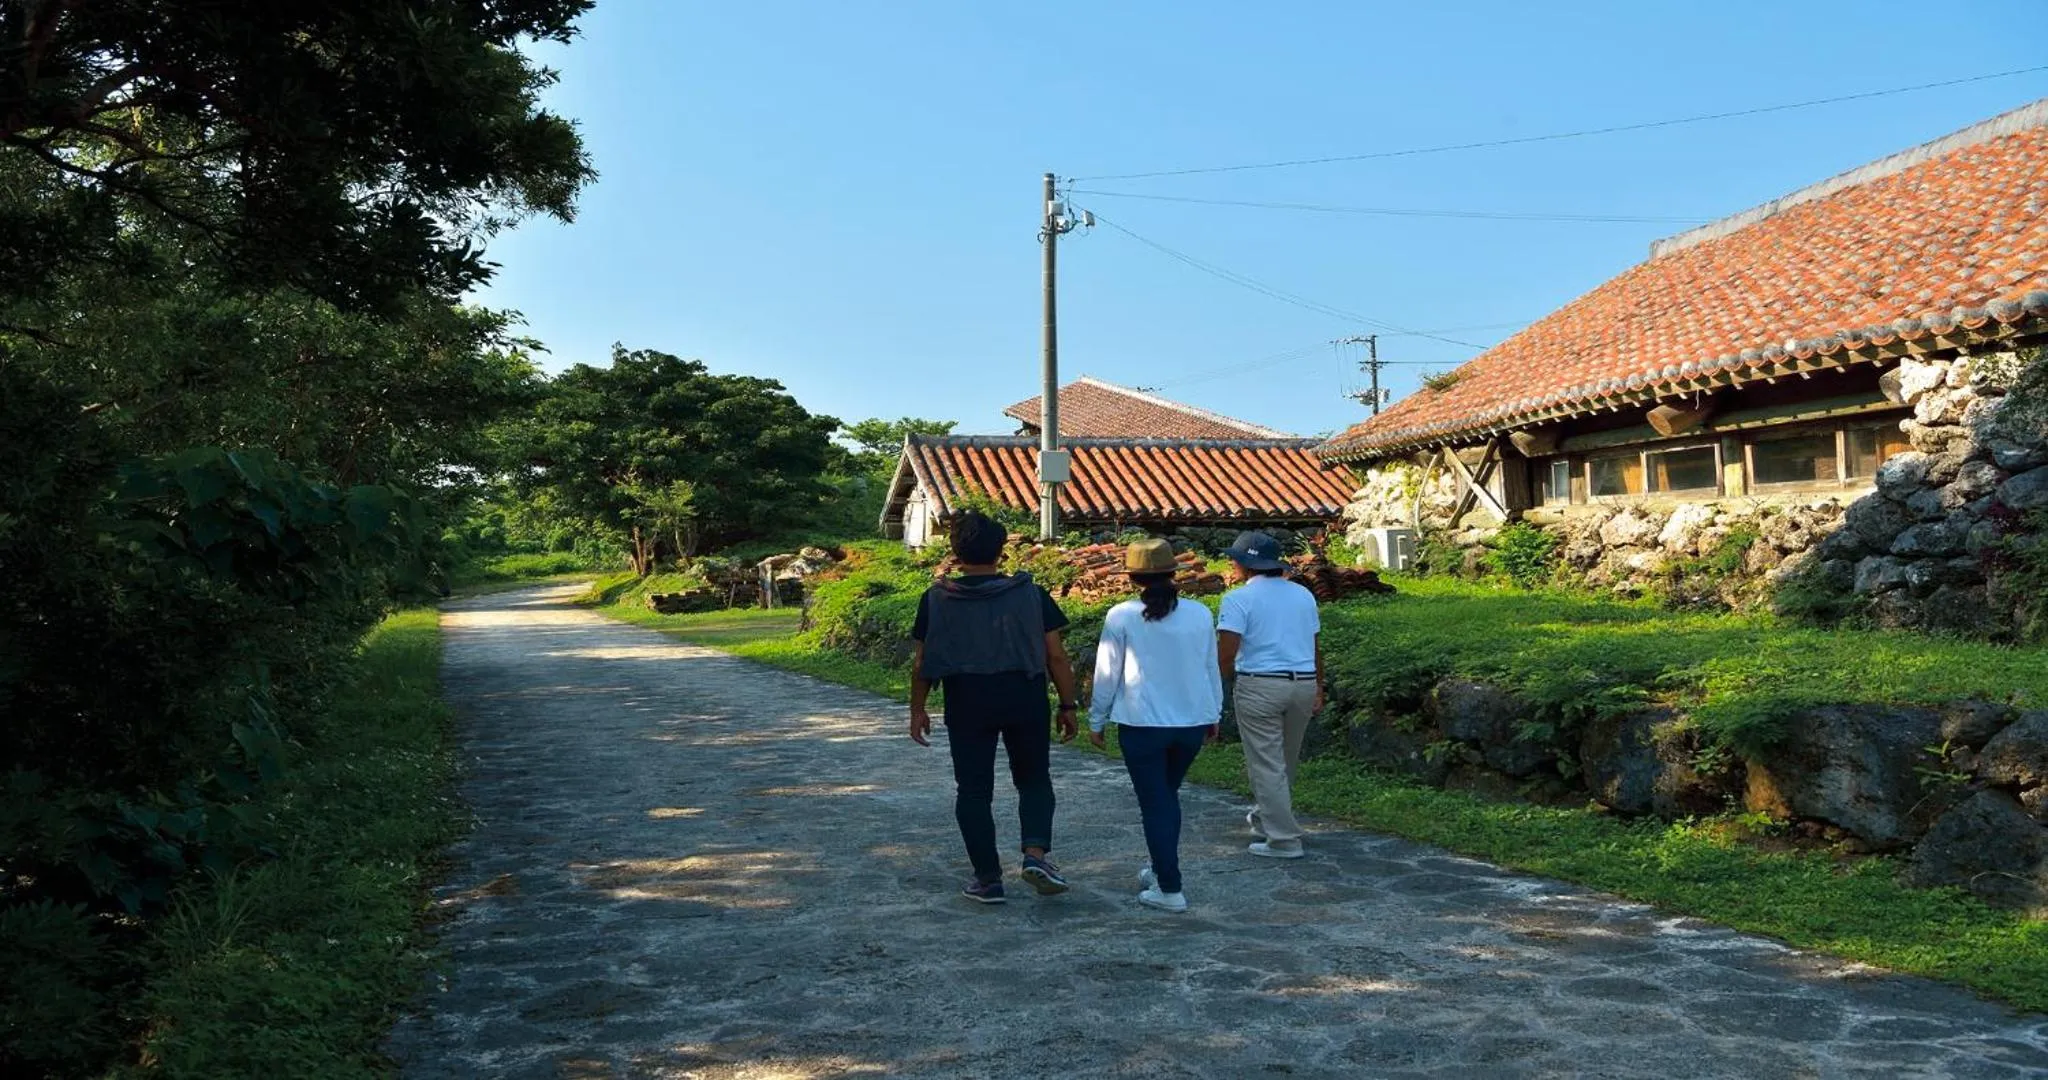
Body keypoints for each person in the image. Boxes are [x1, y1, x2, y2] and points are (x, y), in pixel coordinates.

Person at [908, 510, 1081, 904]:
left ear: (955, 551)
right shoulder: (1030, 594)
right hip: (1025, 694)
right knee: (1034, 779)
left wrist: (917, 708)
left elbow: (922, 661)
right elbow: (1056, 655)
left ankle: (987, 879)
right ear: (1001, 551)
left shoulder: (936, 598)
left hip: (966, 699)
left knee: (973, 790)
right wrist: (1068, 704)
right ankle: (1035, 854)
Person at [1088, 539, 1223, 913]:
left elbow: (1106, 674)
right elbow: (1210, 667)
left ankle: (1170, 886)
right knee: (1166, 796)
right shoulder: (1198, 614)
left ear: (1132, 577)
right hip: (1191, 721)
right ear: (1172, 572)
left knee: (1156, 802)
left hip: (1142, 723)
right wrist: (1214, 713)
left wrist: (1096, 719)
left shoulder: (1121, 615)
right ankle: (1159, 866)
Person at [1216, 531, 1323, 859]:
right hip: (1303, 682)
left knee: (1266, 763)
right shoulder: (1303, 595)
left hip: (1260, 684)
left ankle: (1283, 839)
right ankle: (1267, 818)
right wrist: (1320, 685)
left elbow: (1226, 654)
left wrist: (1215, 687)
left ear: (1245, 564)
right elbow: (1316, 645)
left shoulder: (1237, 599)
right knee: (1286, 759)